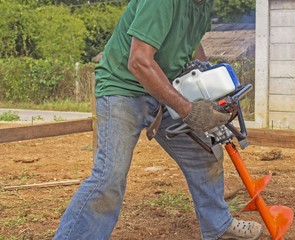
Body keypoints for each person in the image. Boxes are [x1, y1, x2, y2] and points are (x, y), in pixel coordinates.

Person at [53, 0, 262, 239]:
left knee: (204, 153)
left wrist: (208, 83)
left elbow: (191, 43)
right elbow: (139, 61)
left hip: (163, 84)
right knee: (109, 175)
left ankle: (218, 226)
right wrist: (190, 111)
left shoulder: (203, 4)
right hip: (123, 87)